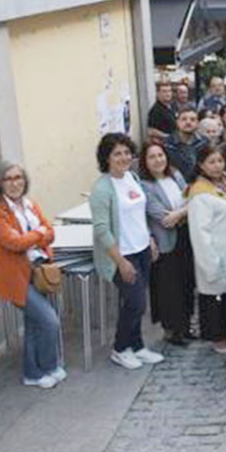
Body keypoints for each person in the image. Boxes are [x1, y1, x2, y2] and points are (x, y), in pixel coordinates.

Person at [89, 133, 164, 371]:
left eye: (126, 152)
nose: (123, 157)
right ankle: (120, 348)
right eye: (116, 153)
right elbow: (101, 229)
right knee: (135, 302)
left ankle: (138, 345)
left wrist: (150, 239)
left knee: (138, 301)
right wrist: (120, 261)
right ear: (107, 158)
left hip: (142, 248)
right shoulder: (102, 188)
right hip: (122, 254)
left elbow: (139, 214)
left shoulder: (132, 177)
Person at [0, 161, 64, 388]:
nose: (14, 183)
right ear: (0, 183)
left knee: (34, 324)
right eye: (8, 179)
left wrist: (36, 234)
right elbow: (14, 243)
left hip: (40, 270)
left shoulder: (31, 205)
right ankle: (47, 365)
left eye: (18, 177)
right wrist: (38, 233)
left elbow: (50, 232)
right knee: (49, 321)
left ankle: (35, 372)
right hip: (17, 276)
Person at [187, 144, 226, 355]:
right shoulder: (199, 193)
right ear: (201, 165)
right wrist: (210, 263)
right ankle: (218, 339)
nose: (216, 166)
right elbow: (199, 233)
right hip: (214, 253)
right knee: (214, 297)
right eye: (211, 162)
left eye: (219, 161)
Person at [140, 141, 194, 346]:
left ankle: (187, 325)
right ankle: (172, 330)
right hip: (165, 241)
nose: (158, 160)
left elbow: (193, 197)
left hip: (185, 236)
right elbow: (161, 217)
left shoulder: (176, 175)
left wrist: (180, 213)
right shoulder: (145, 185)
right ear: (145, 162)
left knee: (187, 283)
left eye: (160, 155)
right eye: (152, 157)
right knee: (168, 287)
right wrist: (184, 212)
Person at [164, 104, 208, 182]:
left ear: (197, 123)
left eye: (192, 119)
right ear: (177, 122)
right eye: (184, 119)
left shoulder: (204, 143)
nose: (188, 122)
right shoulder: (167, 144)